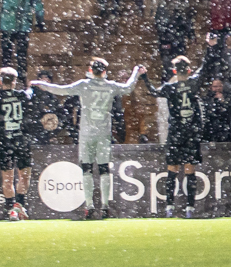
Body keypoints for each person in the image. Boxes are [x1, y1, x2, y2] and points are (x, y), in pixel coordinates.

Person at [33, 58, 146, 220]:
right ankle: (105, 206)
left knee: (86, 168)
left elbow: (61, 90)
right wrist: (136, 72)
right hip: (103, 133)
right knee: (103, 169)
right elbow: (128, 87)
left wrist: (41, 84)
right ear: (105, 72)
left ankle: (89, 206)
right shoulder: (110, 86)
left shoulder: (83, 85)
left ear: (91, 70)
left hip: (87, 133)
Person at [142, 47, 222, 219]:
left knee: (172, 169)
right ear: (189, 70)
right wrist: (210, 47)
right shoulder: (194, 83)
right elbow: (206, 66)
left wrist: (144, 77)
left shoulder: (170, 87)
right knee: (190, 170)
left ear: (174, 71)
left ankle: (170, 206)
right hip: (191, 133)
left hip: (176, 132)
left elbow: (154, 92)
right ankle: (189, 208)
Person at [0, 67, 40, 220]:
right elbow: (31, 96)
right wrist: (32, 87)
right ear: (14, 81)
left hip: (5, 141)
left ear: (0, 81)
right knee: (24, 175)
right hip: (21, 140)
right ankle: (19, 205)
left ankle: (11, 208)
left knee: (7, 177)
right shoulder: (22, 95)